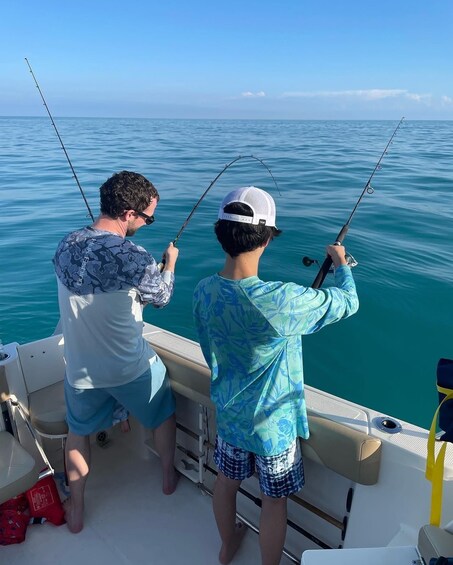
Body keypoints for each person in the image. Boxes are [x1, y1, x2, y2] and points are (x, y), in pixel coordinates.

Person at [193, 186, 359, 565]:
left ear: (221, 233)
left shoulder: (204, 291)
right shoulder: (282, 300)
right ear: (267, 239)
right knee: (274, 500)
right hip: (274, 429)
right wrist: (341, 265)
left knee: (226, 483)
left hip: (231, 417)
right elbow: (348, 303)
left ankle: (225, 546)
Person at [53, 170, 179, 533]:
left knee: (77, 435)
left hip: (80, 371)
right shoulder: (136, 257)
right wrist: (169, 264)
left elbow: (93, 283)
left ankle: (76, 510)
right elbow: (162, 298)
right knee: (163, 413)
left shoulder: (66, 244)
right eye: (147, 217)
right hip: (128, 370)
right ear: (128, 213)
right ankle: (168, 478)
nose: (147, 223)